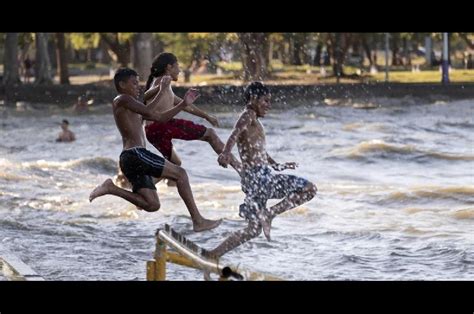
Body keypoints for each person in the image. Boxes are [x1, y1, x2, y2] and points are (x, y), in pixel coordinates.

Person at [89, 68, 221, 232]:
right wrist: (162, 89)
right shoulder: (121, 99)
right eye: (134, 83)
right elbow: (150, 110)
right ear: (122, 84)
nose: (138, 86)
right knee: (181, 174)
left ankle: (112, 188)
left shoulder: (135, 107)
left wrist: (183, 104)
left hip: (132, 158)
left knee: (152, 204)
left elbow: (160, 117)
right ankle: (198, 221)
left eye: (139, 83)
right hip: (134, 153)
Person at [207, 82, 317, 258]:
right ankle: (269, 214)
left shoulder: (255, 121)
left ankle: (213, 254)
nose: (269, 105)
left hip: (255, 179)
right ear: (253, 99)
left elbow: (260, 152)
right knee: (309, 189)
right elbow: (235, 133)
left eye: (269, 101)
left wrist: (277, 165)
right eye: (265, 101)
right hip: (259, 178)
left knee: (254, 229)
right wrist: (226, 153)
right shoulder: (248, 115)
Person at [143, 53, 242, 182]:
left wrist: (206, 116)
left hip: (154, 130)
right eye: (177, 65)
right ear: (169, 67)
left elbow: (185, 106)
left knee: (175, 165)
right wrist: (160, 89)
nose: (179, 69)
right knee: (210, 134)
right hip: (160, 127)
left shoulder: (164, 84)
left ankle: (145, 187)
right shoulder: (161, 82)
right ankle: (241, 170)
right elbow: (145, 96)